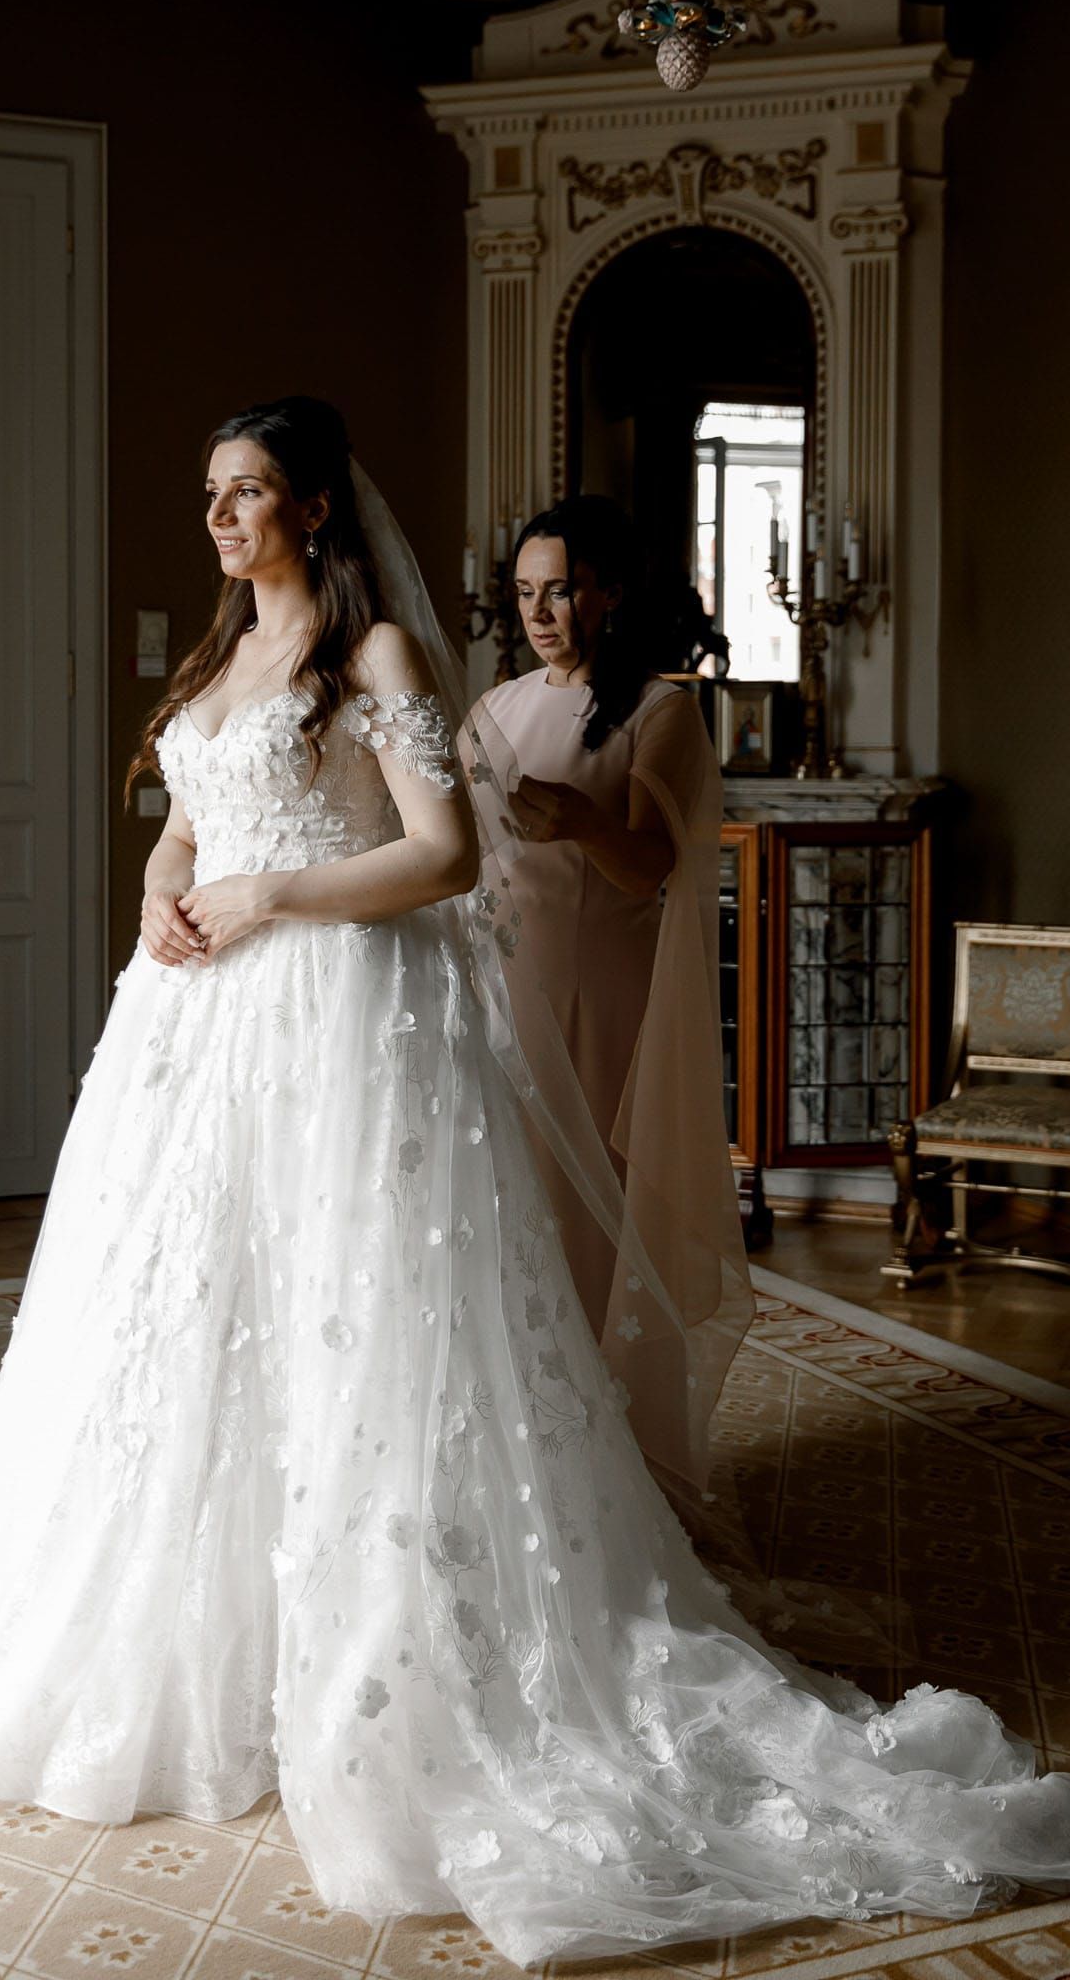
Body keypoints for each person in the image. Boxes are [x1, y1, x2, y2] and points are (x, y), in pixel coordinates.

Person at [0, 398, 1070, 1967]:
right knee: (179, 1308)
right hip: (195, 1027)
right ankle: (192, 1617)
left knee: (358, 1314)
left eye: (248, 490)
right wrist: (159, 897)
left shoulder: (385, 664)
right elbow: (184, 823)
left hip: (341, 1016)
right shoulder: (215, 663)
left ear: (318, 507)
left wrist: (267, 892)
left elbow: (445, 858)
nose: (217, 516)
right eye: (209, 492)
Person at [471, 498, 751, 1521]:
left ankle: (608, 1465)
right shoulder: (493, 711)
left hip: (603, 1000)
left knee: (588, 1219)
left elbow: (651, 869)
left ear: (609, 593)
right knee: (506, 1214)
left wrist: (584, 821)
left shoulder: (657, 711)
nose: (542, 611)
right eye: (526, 592)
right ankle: (517, 1448)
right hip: (503, 990)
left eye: (562, 590)